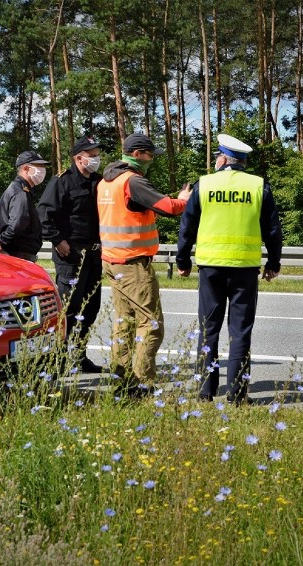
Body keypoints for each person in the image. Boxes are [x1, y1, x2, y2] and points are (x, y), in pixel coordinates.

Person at [176, 134, 283, 405]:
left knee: (208, 328)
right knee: (240, 331)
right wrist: (273, 263)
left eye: (216, 158)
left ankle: (205, 392)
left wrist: (182, 261)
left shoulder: (205, 185)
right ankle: (237, 395)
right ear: (242, 162)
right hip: (244, 269)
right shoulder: (259, 186)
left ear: (222, 159)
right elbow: (273, 230)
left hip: (210, 267)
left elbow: (186, 227)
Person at [97, 133, 191, 397]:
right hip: (133, 264)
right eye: (150, 155)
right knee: (151, 325)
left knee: (124, 323)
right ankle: (142, 384)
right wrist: (184, 198)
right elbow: (169, 207)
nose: (152, 159)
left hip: (113, 261)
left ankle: (122, 381)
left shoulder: (107, 181)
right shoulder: (132, 181)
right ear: (137, 154)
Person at [38, 135, 105, 374]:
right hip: (71, 256)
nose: (97, 159)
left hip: (94, 255)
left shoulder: (98, 181)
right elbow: (45, 214)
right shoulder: (62, 182)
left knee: (90, 308)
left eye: (97, 154)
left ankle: (78, 356)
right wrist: (58, 240)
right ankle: (57, 361)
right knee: (69, 310)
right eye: (93, 155)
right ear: (79, 158)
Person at [0, 150, 49, 262]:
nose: (43, 170)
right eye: (39, 166)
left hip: (19, 254)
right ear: (26, 169)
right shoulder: (20, 192)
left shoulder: (21, 190)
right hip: (18, 255)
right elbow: (17, 223)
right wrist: (3, 241)